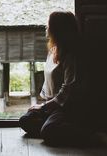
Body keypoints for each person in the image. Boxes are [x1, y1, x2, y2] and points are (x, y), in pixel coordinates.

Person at [19, 11, 96, 147]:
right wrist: (43, 104)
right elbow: (48, 81)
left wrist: (43, 107)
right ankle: (60, 126)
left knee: (49, 130)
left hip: (67, 107)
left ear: (58, 29)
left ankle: (96, 136)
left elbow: (68, 90)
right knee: (25, 120)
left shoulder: (71, 55)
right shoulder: (53, 50)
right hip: (52, 106)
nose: (46, 28)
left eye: (49, 25)